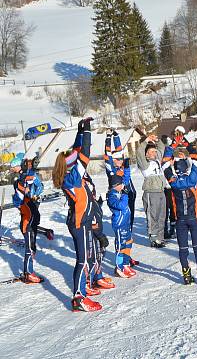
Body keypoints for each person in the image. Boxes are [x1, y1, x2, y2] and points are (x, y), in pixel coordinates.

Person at [52, 117, 102, 312]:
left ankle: (82, 291)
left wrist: (80, 131)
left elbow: (77, 150)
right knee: (82, 260)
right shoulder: (72, 177)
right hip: (79, 221)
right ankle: (78, 297)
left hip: (81, 220)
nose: (76, 156)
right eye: (74, 158)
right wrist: (88, 130)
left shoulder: (69, 173)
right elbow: (84, 153)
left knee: (85, 258)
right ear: (70, 164)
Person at [164, 146, 197, 284]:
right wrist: (189, 146)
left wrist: (170, 147)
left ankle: (186, 276)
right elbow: (196, 160)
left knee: (183, 248)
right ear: (186, 168)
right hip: (193, 218)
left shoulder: (173, 181)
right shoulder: (192, 179)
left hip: (180, 220)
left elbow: (164, 164)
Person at [11, 157, 49, 283]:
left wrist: (32, 169)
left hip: (30, 221)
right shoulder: (22, 196)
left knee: (31, 247)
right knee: (30, 248)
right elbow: (21, 191)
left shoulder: (29, 197)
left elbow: (33, 181)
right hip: (27, 223)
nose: (28, 187)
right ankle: (28, 273)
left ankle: (29, 271)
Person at [136, 135, 167, 248]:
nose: (154, 153)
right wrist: (146, 141)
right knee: (152, 216)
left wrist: (156, 140)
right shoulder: (144, 163)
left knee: (161, 216)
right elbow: (139, 152)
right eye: (151, 151)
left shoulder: (157, 161)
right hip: (151, 192)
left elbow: (162, 148)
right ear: (146, 154)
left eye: (155, 151)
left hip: (161, 191)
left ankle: (160, 237)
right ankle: (153, 238)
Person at [105, 130, 136, 229]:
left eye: (121, 159)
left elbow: (119, 150)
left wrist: (116, 135)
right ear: (113, 160)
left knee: (130, 213)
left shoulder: (122, 166)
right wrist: (108, 137)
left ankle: (129, 230)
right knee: (122, 213)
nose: (121, 161)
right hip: (119, 195)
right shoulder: (111, 168)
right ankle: (123, 230)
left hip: (130, 192)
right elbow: (107, 154)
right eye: (118, 159)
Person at [107, 175, 136, 278]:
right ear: (116, 185)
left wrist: (127, 167)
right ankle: (119, 267)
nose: (123, 186)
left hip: (126, 223)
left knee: (128, 243)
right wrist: (124, 195)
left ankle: (126, 264)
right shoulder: (111, 196)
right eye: (121, 184)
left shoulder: (119, 193)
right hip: (119, 225)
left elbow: (126, 178)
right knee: (121, 246)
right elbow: (121, 206)